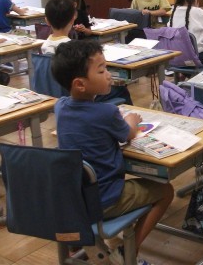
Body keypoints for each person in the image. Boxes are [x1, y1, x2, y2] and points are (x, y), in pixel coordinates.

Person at [52, 40, 173, 265]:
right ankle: (128, 253)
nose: (108, 75)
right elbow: (128, 134)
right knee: (166, 191)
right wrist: (132, 120)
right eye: (101, 70)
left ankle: (84, 244)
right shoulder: (106, 112)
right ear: (80, 84)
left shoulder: (60, 107)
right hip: (104, 199)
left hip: (74, 197)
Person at [42, 0, 132, 105]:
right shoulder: (73, 49)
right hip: (80, 96)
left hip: (57, 95)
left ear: (47, 21)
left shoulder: (44, 46)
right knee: (121, 90)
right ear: (73, 18)